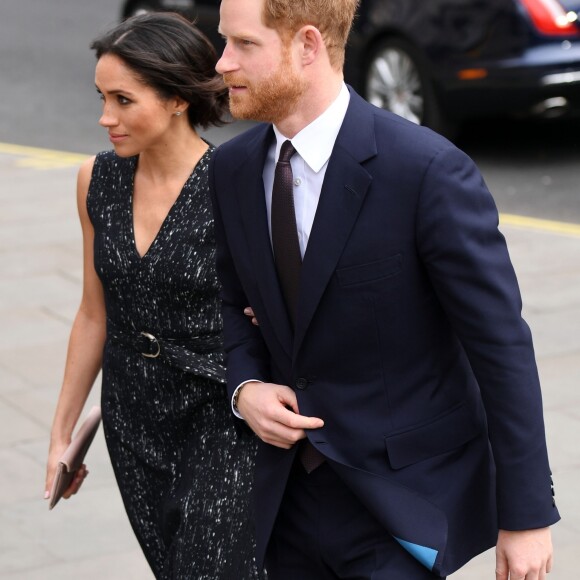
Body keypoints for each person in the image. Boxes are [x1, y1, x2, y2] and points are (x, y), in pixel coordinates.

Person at [208, 0, 561, 578]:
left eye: (243, 45)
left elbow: (501, 348)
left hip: (398, 510)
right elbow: (229, 300)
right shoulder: (231, 170)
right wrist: (245, 386)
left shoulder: (426, 172)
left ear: (307, 46)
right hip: (283, 504)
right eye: (225, 41)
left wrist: (524, 517)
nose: (222, 62)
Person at [45, 13, 263, 580]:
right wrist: (62, 435)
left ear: (176, 100)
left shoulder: (233, 182)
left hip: (219, 412)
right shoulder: (96, 181)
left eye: (123, 100)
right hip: (132, 415)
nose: (105, 118)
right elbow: (94, 312)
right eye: (101, 98)